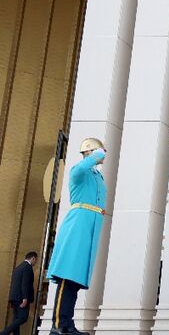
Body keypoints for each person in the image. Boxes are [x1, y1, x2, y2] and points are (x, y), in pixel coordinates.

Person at [46, 138, 107, 335]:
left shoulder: (97, 176)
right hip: (78, 224)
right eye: (99, 152)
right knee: (67, 274)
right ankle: (58, 325)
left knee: (75, 279)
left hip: (90, 225)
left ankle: (67, 323)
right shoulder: (79, 171)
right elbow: (81, 169)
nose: (103, 155)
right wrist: (96, 155)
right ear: (91, 152)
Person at [0, 251, 37, 335]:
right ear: (33, 258)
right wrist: (25, 298)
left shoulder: (18, 267)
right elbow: (25, 283)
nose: (35, 262)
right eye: (35, 260)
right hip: (21, 298)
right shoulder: (27, 267)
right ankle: (4, 333)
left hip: (14, 297)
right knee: (23, 318)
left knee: (16, 319)